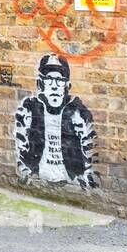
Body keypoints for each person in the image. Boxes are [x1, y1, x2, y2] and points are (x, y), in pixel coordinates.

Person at [14, 54, 99, 189]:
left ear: (67, 86)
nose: (54, 85)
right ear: (40, 84)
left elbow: (91, 152)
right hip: (36, 181)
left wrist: (87, 181)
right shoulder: (29, 109)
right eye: (49, 79)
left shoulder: (77, 112)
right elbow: (21, 146)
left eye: (59, 80)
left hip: (73, 183)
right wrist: (26, 173)